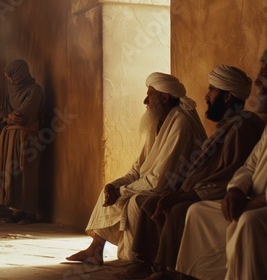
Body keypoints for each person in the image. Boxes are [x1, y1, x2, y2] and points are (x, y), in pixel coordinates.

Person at [118, 65, 264, 279]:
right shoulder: (228, 125)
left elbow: (231, 175)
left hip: (219, 194)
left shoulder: (243, 126)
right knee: (151, 202)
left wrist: (185, 195)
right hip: (200, 190)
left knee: (177, 210)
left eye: (212, 90)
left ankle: (172, 270)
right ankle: (147, 263)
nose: (206, 96)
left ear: (226, 97)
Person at [66, 72, 207, 265]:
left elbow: (160, 180)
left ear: (164, 98)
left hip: (176, 188)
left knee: (134, 202)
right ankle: (95, 250)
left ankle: (137, 261)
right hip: (157, 182)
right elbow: (138, 168)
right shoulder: (157, 122)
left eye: (149, 95)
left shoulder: (181, 124)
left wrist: (122, 191)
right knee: (108, 191)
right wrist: (115, 186)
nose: (145, 100)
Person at [176, 44, 267, 280]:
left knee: (249, 222)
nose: (257, 81)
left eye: (265, 74)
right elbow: (250, 166)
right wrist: (235, 190)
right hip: (254, 200)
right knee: (198, 213)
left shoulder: (244, 124)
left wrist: (257, 201)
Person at [0, 59, 44, 224]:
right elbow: (0, 111)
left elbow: (22, 114)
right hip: (9, 137)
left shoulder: (35, 90)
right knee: (10, 172)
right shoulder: (11, 92)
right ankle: (16, 210)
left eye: (11, 76)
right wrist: (7, 117)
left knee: (25, 172)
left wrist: (9, 117)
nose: (9, 80)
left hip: (26, 137)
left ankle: (28, 212)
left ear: (20, 73)